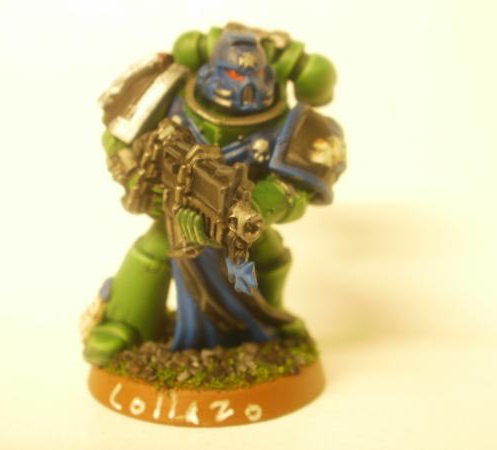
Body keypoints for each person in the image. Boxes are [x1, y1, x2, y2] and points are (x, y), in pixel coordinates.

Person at [83, 23, 346, 366]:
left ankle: (265, 322)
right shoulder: (169, 96)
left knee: (267, 257)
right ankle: (125, 324)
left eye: (255, 75)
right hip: (176, 211)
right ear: (209, 71)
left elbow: (298, 191)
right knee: (152, 253)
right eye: (233, 75)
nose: (245, 87)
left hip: (240, 222)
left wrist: (258, 205)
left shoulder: (285, 125)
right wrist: (137, 178)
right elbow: (118, 138)